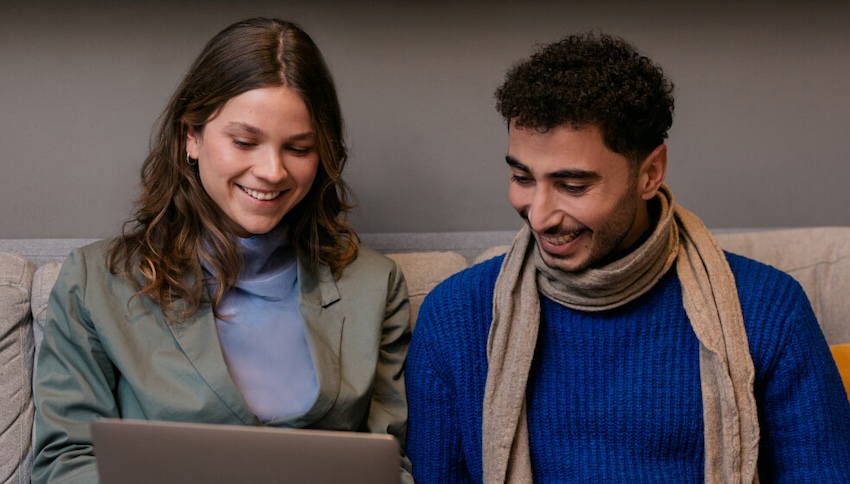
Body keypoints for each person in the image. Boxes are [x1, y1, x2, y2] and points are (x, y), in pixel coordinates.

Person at [405, 31, 850, 482]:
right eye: (522, 177)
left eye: (573, 186)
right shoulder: (455, 317)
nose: (539, 216)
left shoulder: (769, 310)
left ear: (650, 173)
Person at [33, 17, 413, 483]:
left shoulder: (375, 285)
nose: (272, 171)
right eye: (244, 142)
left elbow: (388, 464)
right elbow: (64, 462)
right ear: (191, 136)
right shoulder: (95, 283)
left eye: (299, 147)